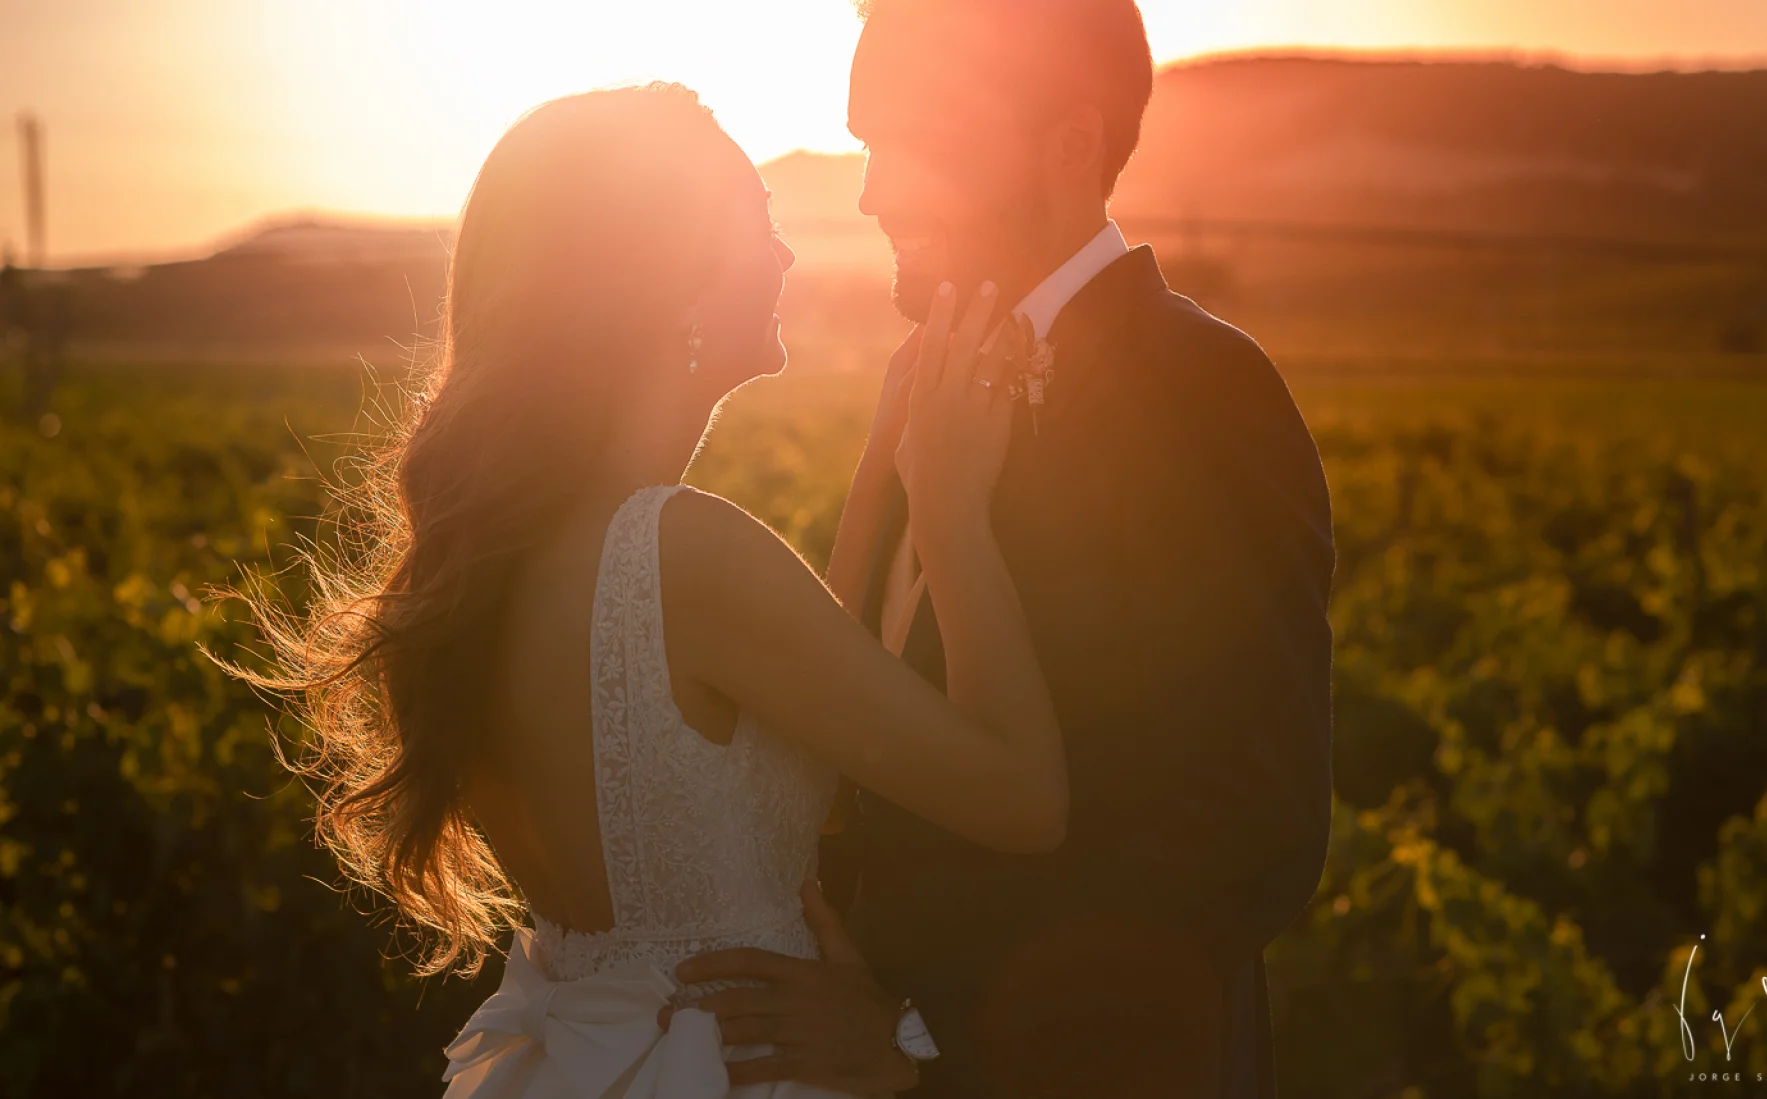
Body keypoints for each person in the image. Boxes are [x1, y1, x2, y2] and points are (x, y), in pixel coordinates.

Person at [234, 83, 1066, 1098]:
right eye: (759, 221)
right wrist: (951, 515)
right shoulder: (685, 556)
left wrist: (889, 457)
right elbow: (1024, 799)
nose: (787, 254)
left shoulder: (508, 555)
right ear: (671, 275)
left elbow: (812, 705)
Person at [670, 2, 1337, 1097]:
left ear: (1070, 144)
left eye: (915, 143)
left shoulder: (1206, 394)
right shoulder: (913, 379)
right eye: (866, 142)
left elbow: (1243, 836)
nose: (875, 191)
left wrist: (918, 1043)